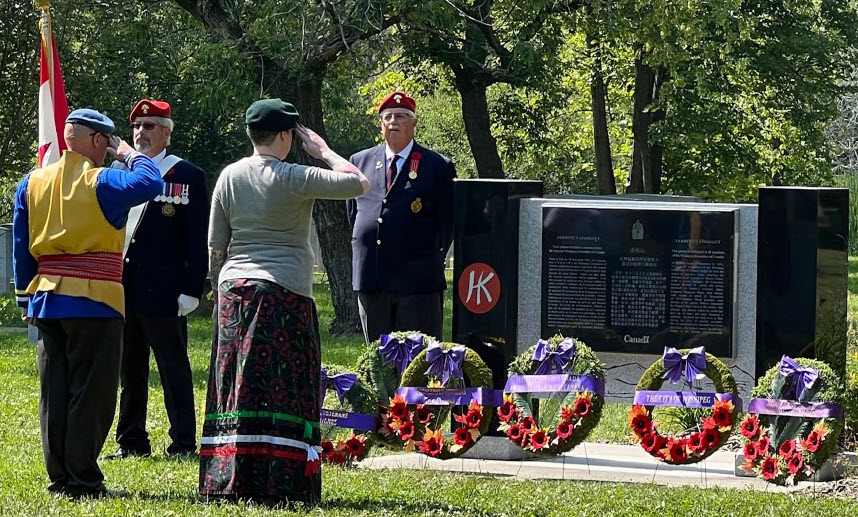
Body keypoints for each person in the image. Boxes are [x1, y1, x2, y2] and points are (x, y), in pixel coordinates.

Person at [200, 98, 369, 506]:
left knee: (235, 386)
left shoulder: (228, 175)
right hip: (283, 293)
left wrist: (219, 286)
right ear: (284, 135)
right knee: (284, 387)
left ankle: (226, 477)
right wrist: (324, 151)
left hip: (233, 290)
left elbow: (215, 246)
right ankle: (281, 481)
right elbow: (358, 182)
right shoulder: (295, 175)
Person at [12, 109, 163, 499]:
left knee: (55, 393)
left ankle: (60, 478)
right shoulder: (104, 180)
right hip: (95, 300)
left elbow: (21, 245)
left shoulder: (32, 182)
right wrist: (129, 153)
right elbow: (151, 181)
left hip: (47, 298)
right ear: (99, 140)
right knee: (91, 395)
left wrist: (26, 296)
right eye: (108, 141)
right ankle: (83, 480)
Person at [105, 99, 208, 459]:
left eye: (149, 126)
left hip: (165, 291)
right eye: (136, 127)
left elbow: (197, 239)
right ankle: (131, 441)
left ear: (167, 131)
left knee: (173, 369)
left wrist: (192, 289)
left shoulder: (186, 175)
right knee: (129, 371)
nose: (140, 133)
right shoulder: (123, 172)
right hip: (125, 286)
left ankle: (182, 441)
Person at [347, 91, 456, 344]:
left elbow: (447, 223)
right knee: (378, 362)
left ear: (414, 123)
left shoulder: (436, 164)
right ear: (381, 124)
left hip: (418, 281)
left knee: (418, 361)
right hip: (372, 278)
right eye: (388, 116)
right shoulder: (359, 162)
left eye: (402, 116)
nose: (394, 121)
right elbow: (353, 214)